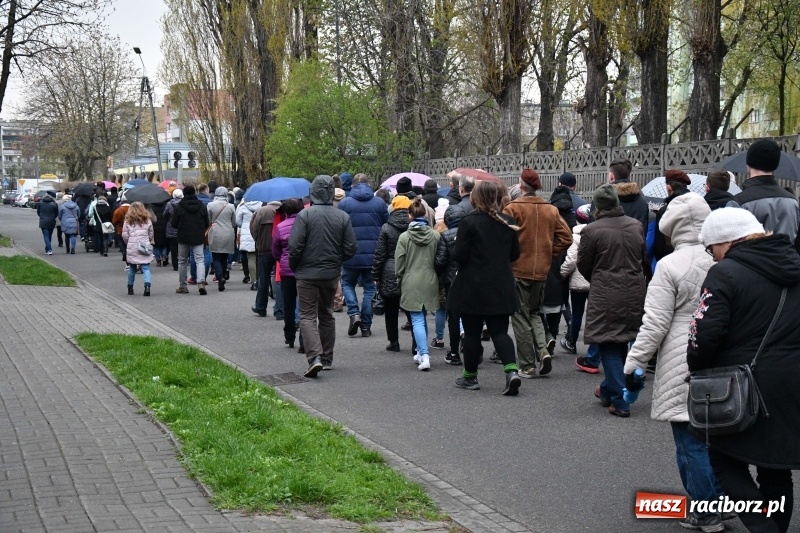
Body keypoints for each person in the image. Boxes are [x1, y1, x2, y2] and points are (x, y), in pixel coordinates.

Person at [688, 207, 800, 533]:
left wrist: (698, 369)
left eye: (711, 249)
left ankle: (763, 528)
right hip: (791, 381)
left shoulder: (726, 273)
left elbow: (703, 335)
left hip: (742, 383)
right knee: (775, 467)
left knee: (723, 461)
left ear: (725, 242)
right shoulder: (794, 265)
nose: (712, 257)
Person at [622, 192, 721, 531]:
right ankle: (723, 500)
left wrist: (634, 362)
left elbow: (655, 323)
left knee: (688, 440)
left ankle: (705, 511)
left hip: (681, 358)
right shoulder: (722, 259)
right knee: (717, 436)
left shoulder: (670, 266)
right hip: (721, 355)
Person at [577, 184, 647, 417]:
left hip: (606, 291)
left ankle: (620, 400)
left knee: (608, 343)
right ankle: (608, 389)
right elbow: (642, 257)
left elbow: (584, 264)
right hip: (635, 289)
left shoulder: (592, 230)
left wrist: (598, 278)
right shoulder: (635, 225)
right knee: (625, 339)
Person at [448, 180, 522, 394]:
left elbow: (459, 256)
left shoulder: (469, 222)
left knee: (471, 333)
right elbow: (514, 254)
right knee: (500, 331)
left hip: (473, 286)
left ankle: (470, 377)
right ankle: (511, 371)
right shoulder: (507, 221)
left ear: (475, 198)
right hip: (500, 284)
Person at [503, 168, 572, 378]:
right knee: (533, 313)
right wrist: (548, 254)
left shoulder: (512, 208)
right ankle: (542, 352)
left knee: (519, 316)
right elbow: (566, 237)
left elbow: (503, 237)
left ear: (521, 185)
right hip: (541, 270)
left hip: (517, 269)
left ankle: (527, 365)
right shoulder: (550, 209)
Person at [289, 175, 357, 377]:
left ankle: (314, 357)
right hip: (330, 272)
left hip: (307, 273)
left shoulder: (305, 215)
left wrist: (296, 267)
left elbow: (295, 247)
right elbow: (351, 247)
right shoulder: (342, 216)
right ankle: (326, 358)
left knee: (307, 316)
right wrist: (337, 259)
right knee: (326, 314)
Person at [394, 197, 447, 371]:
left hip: (410, 280)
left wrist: (399, 278)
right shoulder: (435, 235)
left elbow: (399, 263)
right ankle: (420, 351)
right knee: (423, 316)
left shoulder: (404, 237)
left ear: (410, 216)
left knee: (417, 318)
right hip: (430, 279)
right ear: (425, 215)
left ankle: (423, 354)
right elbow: (440, 259)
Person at [338, 174, 388, 337]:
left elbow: (339, 229)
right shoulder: (379, 203)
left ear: (352, 186)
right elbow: (385, 227)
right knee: (369, 288)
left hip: (350, 252)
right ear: (369, 185)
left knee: (347, 282)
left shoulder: (345, 203)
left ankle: (354, 313)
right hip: (373, 253)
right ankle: (366, 325)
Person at [729, 138, 800, 248]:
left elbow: (730, 245)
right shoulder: (792, 201)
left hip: (750, 263)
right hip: (786, 263)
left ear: (748, 163)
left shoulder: (738, 203)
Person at [372, 195, 411, 352]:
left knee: (391, 308)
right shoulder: (413, 225)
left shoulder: (387, 228)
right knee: (411, 308)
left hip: (390, 269)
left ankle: (393, 341)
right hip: (409, 268)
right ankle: (417, 342)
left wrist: (375, 275)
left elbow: (380, 254)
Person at [560, 204, 594, 367]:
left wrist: (562, 273)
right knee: (594, 312)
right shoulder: (596, 233)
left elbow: (571, 260)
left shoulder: (576, 236)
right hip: (594, 280)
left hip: (578, 281)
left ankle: (571, 341)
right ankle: (594, 345)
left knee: (577, 312)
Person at [272, 198, 304, 349]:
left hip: (287, 270)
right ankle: (305, 337)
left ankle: (289, 335)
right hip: (304, 270)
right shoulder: (306, 225)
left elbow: (275, 251)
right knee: (306, 305)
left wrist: (283, 260)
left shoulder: (280, 227)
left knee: (288, 304)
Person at [171, 185, 209, 295]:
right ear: (194, 193)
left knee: (182, 261)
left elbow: (174, 223)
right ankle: (201, 281)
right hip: (198, 235)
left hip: (183, 236)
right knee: (200, 259)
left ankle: (183, 286)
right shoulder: (201, 205)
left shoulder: (179, 206)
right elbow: (206, 222)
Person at [250, 200, 282, 317]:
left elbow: (253, 229)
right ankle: (280, 307)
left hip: (265, 248)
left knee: (263, 278)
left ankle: (261, 306)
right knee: (280, 278)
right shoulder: (284, 210)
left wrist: (259, 241)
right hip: (281, 249)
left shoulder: (261, 211)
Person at [651, 169, 691, 260]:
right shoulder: (698, 206)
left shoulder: (665, 211)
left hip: (671, 259)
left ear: (669, 187)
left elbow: (659, 245)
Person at [607, 158, 649, 237]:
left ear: (611, 176)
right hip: (633, 248)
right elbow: (643, 233)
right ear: (630, 177)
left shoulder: (602, 199)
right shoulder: (642, 201)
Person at [206, 187, 237, 291]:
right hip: (228, 232)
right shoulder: (231, 206)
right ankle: (223, 274)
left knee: (215, 256)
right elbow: (234, 223)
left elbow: (209, 220)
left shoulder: (210, 205)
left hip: (215, 232)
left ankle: (220, 276)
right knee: (225, 256)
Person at [121, 202, 155, 297]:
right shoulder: (147, 220)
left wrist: (128, 242)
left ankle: (130, 287)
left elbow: (124, 235)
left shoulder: (128, 221)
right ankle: (147, 286)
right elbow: (151, 233)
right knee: (146, 267)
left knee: (132, 268)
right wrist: (147, 240)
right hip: (144, 246)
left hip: (132, 245)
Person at [236, 195, 261, 289]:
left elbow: (238, 222)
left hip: (247, 234)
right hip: (258, 233)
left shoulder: (243, 207)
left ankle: (254, 281)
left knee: (251, 258)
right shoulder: (261, 206)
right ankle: (259, 280)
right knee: (258, 258)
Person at [163, 189, 183, 271]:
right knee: (182, 247)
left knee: (173, 248)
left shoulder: (169, 204)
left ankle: (175, 265)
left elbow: (165, 215)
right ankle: (182, 262)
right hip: (181, 228)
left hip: (171, 228)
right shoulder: (183, 204)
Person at [112, 193, 131, 268]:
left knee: (124, 245)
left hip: (121, 229)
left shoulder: (118, 211)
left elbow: (114, 221)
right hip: (132, 230)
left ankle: (125, 257)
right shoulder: (132, 210)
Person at [151, 200, 169, 267]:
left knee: (156, 245)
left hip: (154, 227)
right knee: (164, 244)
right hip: (164, 226)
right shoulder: (166, 205)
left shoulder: (151, 206)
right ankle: (164, 256)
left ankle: (158, 260)